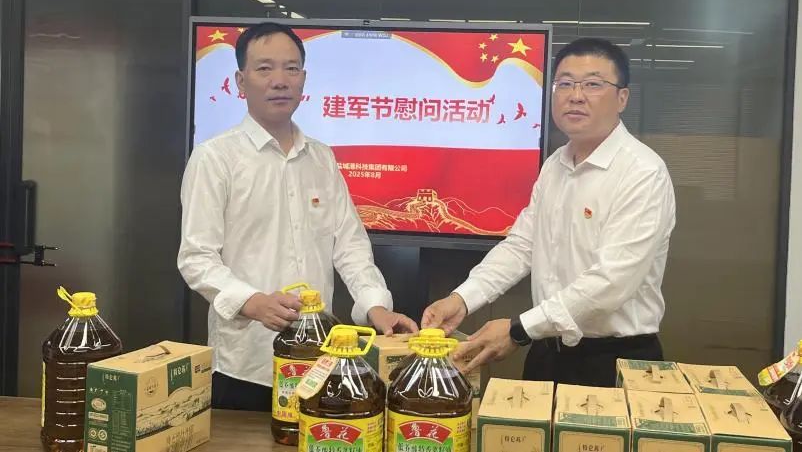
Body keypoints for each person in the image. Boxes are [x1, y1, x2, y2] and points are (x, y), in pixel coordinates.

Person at [178, 22, 417, 411]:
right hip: (246, 365)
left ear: (303, 79)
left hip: (318, 359)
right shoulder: (215, 158)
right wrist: (251, 301)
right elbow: (196, 258)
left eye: (291, 69)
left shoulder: (321, 157)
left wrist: (376, 305)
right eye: (264, 68)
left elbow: (350, 246)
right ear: (241, 81)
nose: (280, 80)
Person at [422, 37, 676, 387]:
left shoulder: (642, 172)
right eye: (565, 83)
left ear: (622, 98)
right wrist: (462, 299)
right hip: (547, 350)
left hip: (615, 359)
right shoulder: (556, 165)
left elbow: (611, 283)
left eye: (592, 84)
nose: (576, 95)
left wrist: (519, 330)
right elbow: (522, 246)